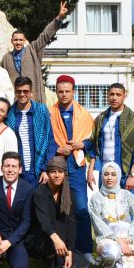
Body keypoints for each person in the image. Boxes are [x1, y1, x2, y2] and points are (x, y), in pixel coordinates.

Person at [47, 75, 94, 253]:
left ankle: (86, 250)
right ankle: (60, 249)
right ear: (56, 92)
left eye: (67, 91)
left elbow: (93, 140)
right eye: (60, 91)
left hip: (76, 168)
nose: (64, 94)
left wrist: (82, 144)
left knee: (81, 209)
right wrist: (58, 149)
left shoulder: (84, 115)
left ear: (74, 92)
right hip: (56, 166)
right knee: (56, 209)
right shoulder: (49, 114)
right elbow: (46, 139)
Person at [88, 163, 134, 268]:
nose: (109, 178)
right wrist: (120, 242)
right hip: (108, 239)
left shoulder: (127, 195)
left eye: (113, 174)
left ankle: (117, 266)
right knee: (112, 253)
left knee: (130, 263)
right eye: (106, 174)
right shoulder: (96, 199)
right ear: (102, 176)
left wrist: (130, 237)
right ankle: (107, 263)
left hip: (127, 238)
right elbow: (99, 225)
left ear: (119, 176)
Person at [0, 1, 69, 105]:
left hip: (34, 100)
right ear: (11, 41)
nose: (18, 42)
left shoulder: (33, 49)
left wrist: (59, 18)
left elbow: (45, 35)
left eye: (20, 40)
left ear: (24, 41)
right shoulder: (6, 58)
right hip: (15, 102)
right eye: (16, 40)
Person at [90, 83, 134, 198]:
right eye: (111, 94)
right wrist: (90, 171)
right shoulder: (100, 119)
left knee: (128, 206)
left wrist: (133, 175)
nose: (114, 98)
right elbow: (94, 147)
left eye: (118, 95)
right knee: (106, 206)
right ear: (107, 96)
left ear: (124, 96)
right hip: (106, 173)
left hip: (126, 173)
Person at [25, 156, 76, 268]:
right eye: (53, 172)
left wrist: (69, 251)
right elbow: (44, 221)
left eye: (60, 172)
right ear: (48, 174)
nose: (57, 175)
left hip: (61, 238)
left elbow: (71, 223)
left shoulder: (69, 194)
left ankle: (57, 262)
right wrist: (56, 240)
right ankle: (49, 265)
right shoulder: (39, 193)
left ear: (65, 174)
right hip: (41, 237)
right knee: (50, 238)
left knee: (78, 266)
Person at [5, 77, 53, 186]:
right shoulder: (10, 113)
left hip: (39, 172)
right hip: (17, 172)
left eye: (25, 91)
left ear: (31, 93)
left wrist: (45, 169)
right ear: (15, 92)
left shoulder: (41, 110)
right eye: (19, 91)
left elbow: (50, 141)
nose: (22, 94)